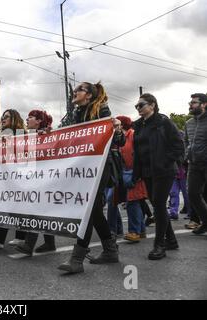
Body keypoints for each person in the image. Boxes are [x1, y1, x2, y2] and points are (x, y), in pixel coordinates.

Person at [58, 82, 120, 274]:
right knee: (94, 211)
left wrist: (116, 129)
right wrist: (47, 134)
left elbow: (118, 140)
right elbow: (64, 135)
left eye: (79, 90)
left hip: (101, 167)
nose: (75, 92)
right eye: (75, 90)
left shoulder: (102, 110)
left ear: (90, 96)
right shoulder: (75, 113)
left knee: (89, 207)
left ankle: (76, 259)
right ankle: (110, 250)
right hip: (83, 166)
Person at [133, 93, 184, 260]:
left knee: (159, 205)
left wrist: (165, 161)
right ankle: (171, 240)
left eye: (141, 105)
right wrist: (137, 172)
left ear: (152, 105)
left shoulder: (163, 122)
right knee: (157, 204)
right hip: (147, 171)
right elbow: (136, 150)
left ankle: (159, 245)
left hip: (164, 170)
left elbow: (178, 146)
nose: (138, 108)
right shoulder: (139, 125)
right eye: (137, 106)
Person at [14, 110, 57, 256]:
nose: (27, 119)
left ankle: (29, 244)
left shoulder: (46, 135)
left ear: (39, 121)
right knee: (40, 210)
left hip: (44, 178)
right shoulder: (29, 136)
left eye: (30, 117)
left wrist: (47, 136)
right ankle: (50, 243)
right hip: (34, 177)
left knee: (36, 210)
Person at [0, 109, 26, 249]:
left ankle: (1, 239)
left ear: (14, 118)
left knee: (15, 207)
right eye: (2, 117)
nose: (3, 119)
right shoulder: (1, 136)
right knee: (12, 207)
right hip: (5, 177)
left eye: (6, 117)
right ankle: (19, 237)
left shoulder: (23, 134)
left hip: (19, 176)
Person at [116, 116, 148, 242]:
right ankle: (141, 230)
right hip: (129, 173)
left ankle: (134, 232)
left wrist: (138, 172)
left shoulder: (133, 135)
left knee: (132, 202)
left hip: (136, 173)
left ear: (122, 125)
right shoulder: (123, 137)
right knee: (135, 201)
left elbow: (140, 154)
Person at [185, 93, 207, 235]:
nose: (190, 105)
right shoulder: (189, 123)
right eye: (190, 102)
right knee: (192, 194)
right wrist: (187, 154)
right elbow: (186, 141)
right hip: (194, 164)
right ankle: (205, 222)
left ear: (204, 104)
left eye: (194, 102)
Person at [168, 130, 189, 221]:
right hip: (174, 173)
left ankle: (191, 212)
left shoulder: (184, 146)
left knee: (186, 194)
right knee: (173, 193)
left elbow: (184, 158)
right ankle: (173, 212)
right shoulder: (169, 144)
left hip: (183, 172)